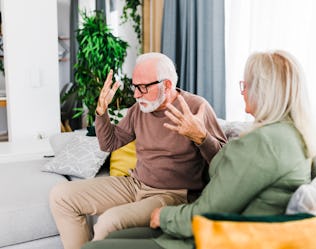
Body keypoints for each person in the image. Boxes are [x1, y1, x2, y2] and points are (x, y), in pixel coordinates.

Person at [81, 50, 316, 249]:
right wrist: (101, 113)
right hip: (151, 193)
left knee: (102, 237)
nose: (242, 91)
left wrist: (201, 138)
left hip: (197, 221)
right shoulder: (292, 136)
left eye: (245, 85)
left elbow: (215, 192)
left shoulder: (261, 140)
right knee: (101, 228)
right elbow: (225, 171)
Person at [49, 52, 227, 249]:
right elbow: (110, 144)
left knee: (109, 221)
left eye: (142, 88)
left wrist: (201, 137)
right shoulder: (139, 109)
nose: (136, 95)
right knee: (61, 196)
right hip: (135, 184)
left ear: (166, 85)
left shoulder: (196, 107)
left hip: (173, 195)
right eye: (135, 87)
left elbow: (226, 164)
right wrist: (101, 112)